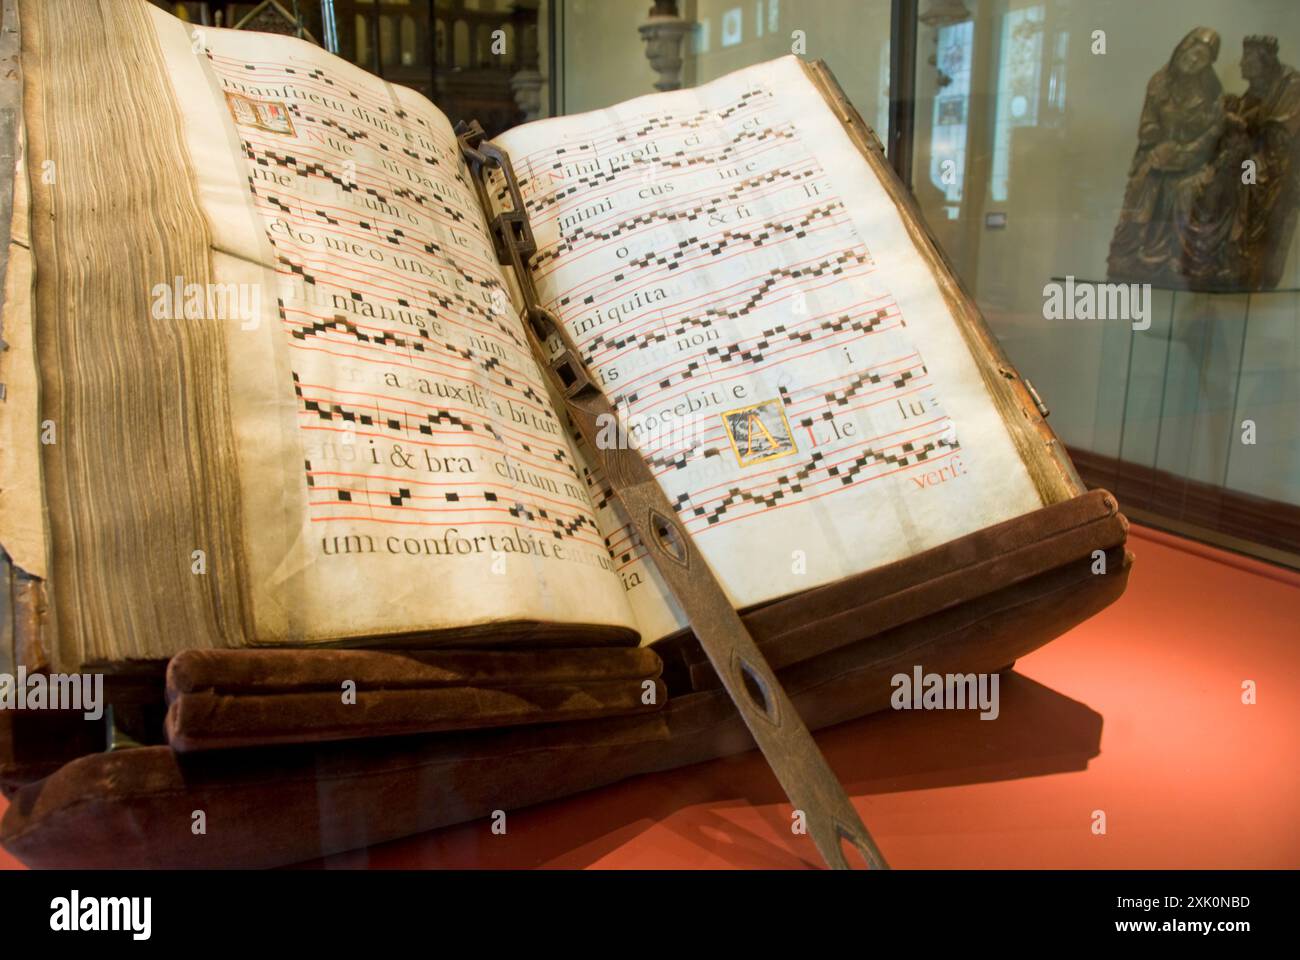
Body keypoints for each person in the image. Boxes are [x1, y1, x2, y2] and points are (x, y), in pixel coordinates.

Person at [1107, 27, 1226, 287]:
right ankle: (1131, 254)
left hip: (1192, 161)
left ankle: (1178, 258)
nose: (1194, 60)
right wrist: (1158, 139)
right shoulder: (1159, 82)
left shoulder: (1213, 94)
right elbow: (1147, 125)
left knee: (1188, 190)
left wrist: (1187, 151)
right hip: (1159, 154)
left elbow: (1214, 133)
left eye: (1202, 58)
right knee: (1143, 182)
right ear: (1182, 49)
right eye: (1192, 53)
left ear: (1208, 64)